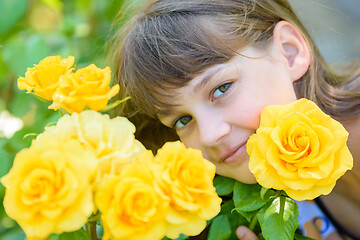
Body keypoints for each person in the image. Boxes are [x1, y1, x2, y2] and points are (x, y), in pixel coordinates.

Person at [109, 0, 360, 239]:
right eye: (183, 120)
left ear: (289, 51)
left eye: (222, 88)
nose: (208, 135)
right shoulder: (259, 207)